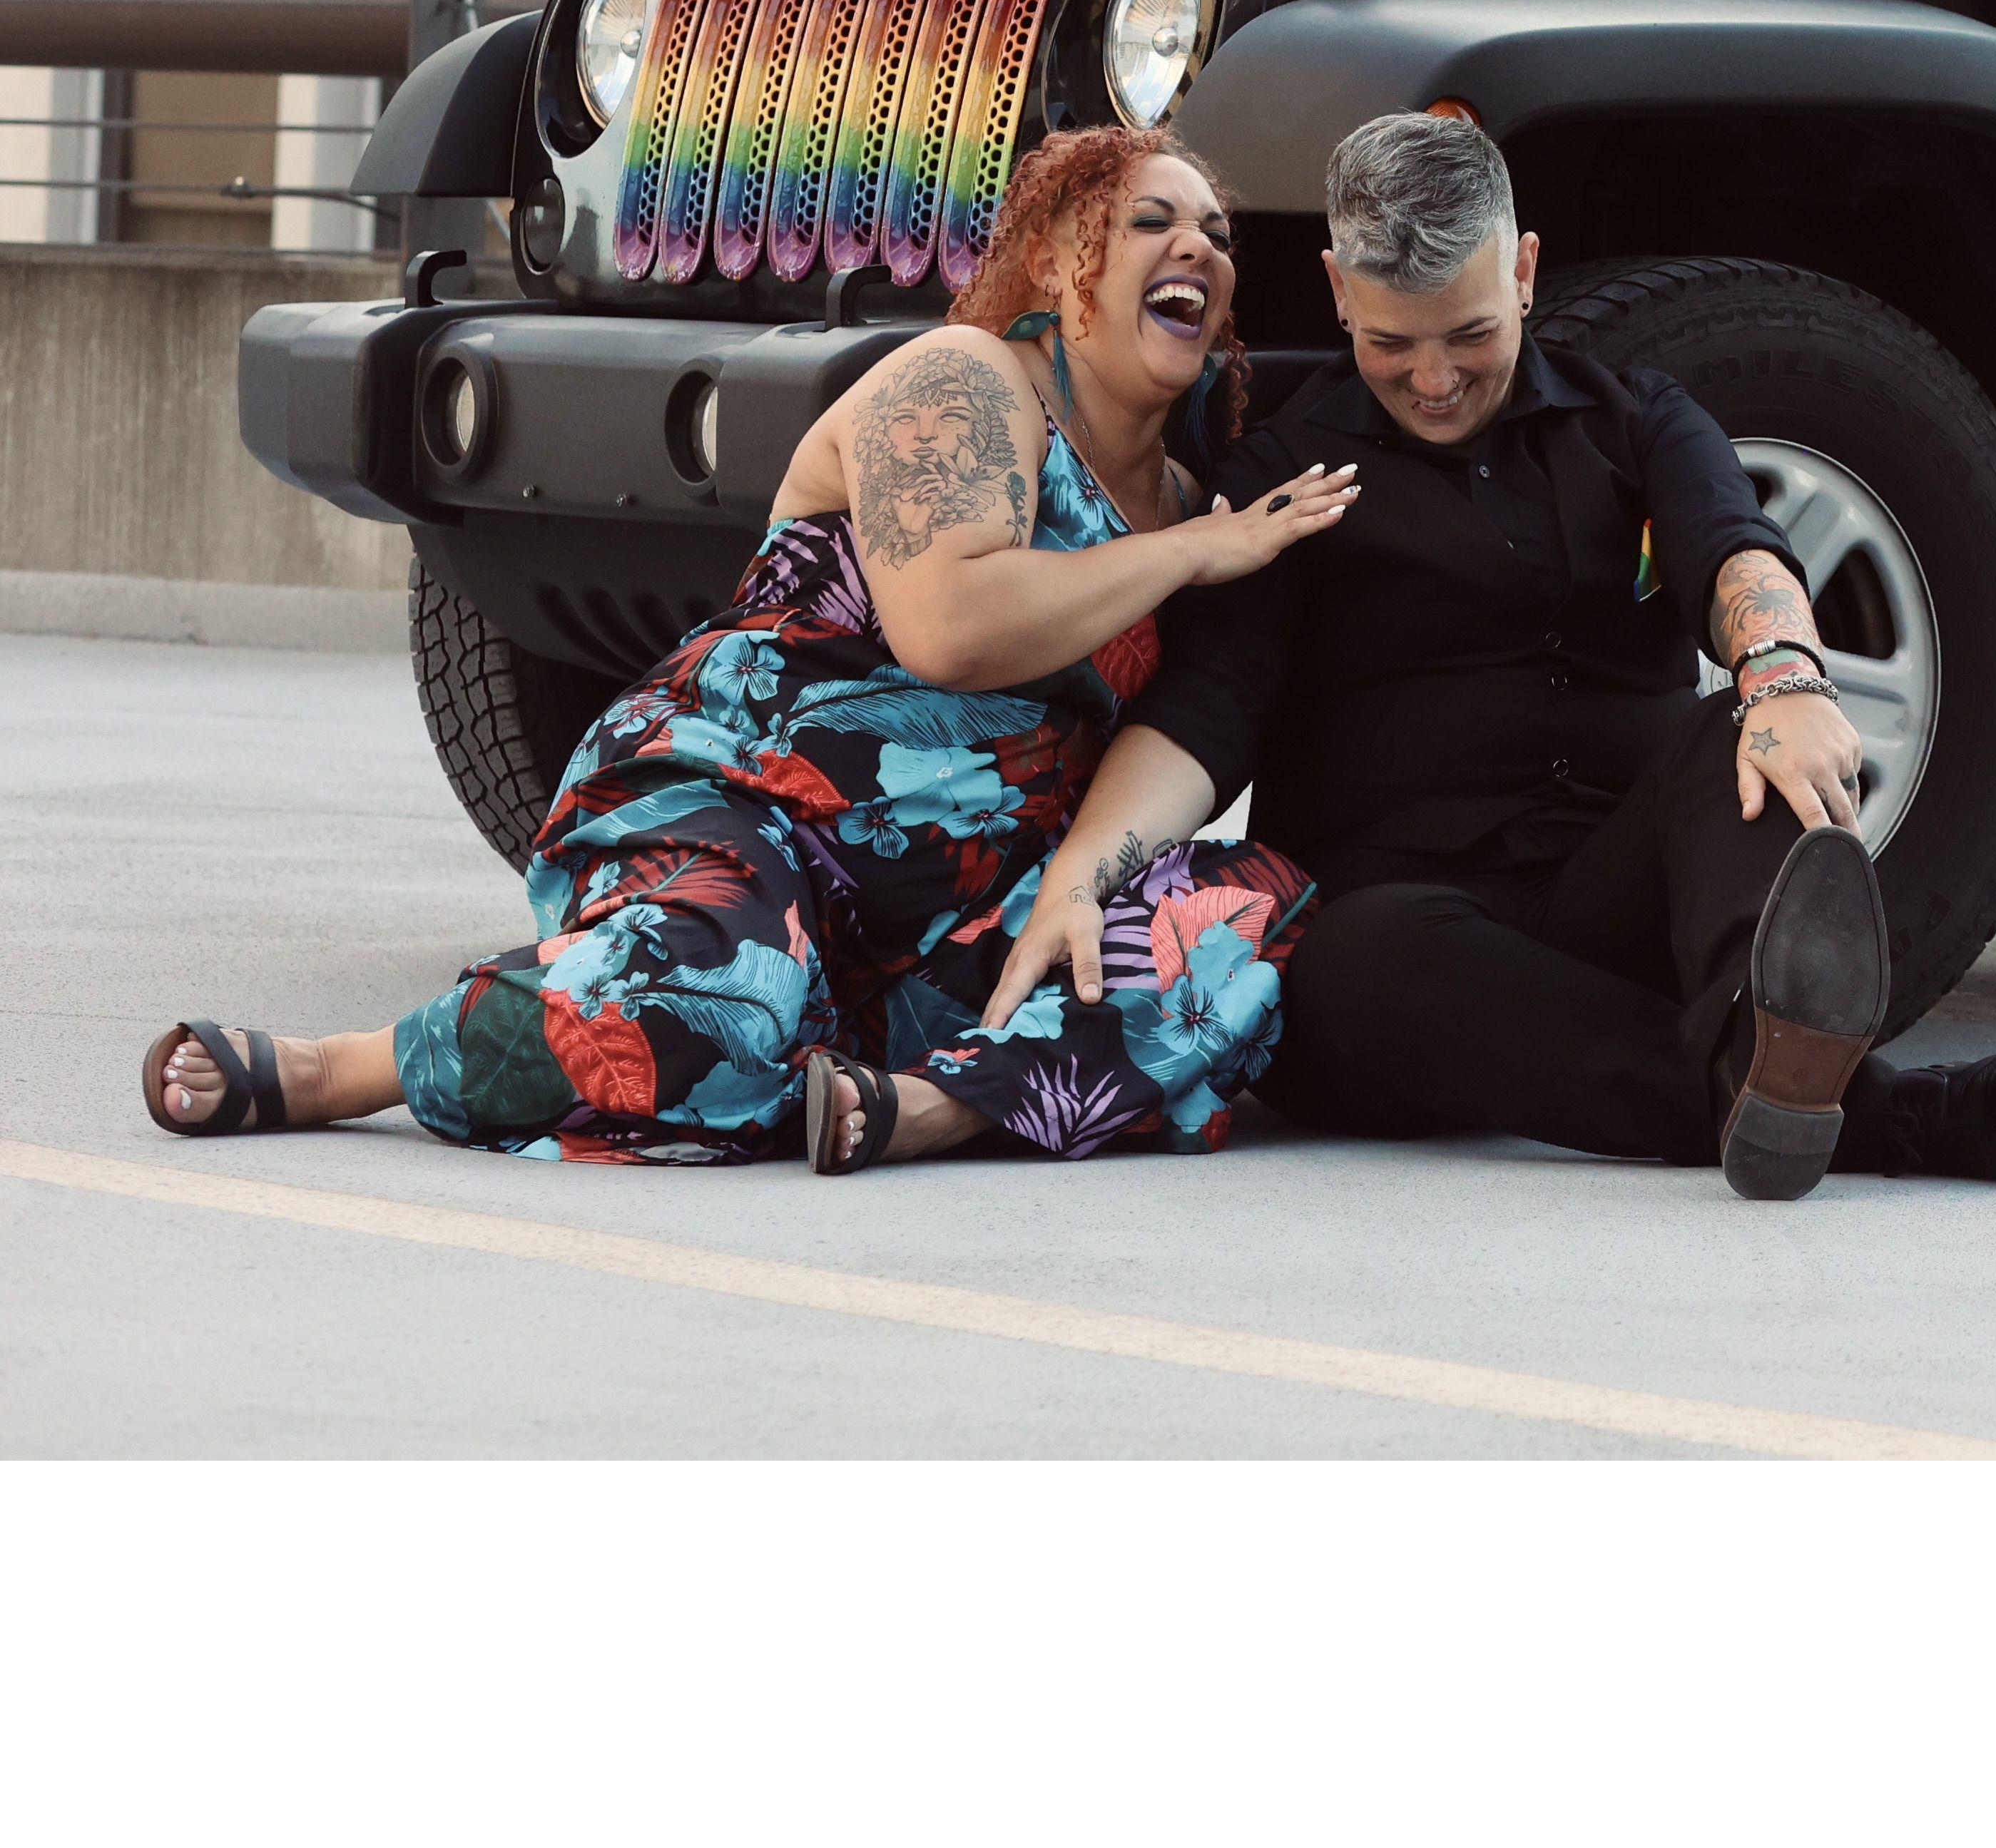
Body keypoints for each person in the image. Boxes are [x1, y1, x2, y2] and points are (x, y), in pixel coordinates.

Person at [140, 128, 1354, 1173]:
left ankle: (921, 1104)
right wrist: (1190, 556)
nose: (1198, 249)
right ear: (1052, 259)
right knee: (736, 994)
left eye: (1217, 236)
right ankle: (355, 1067)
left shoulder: (1191, 500)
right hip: (743, 817)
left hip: (952, 921)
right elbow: (950, 627)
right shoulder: (965, 383)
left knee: (1242, 912)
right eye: (1150, 222)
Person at [1017, 110, 1996, 1200]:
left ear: (1522, 273)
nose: (1433, 379)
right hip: (1407, 967)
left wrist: (1786, 677)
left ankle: (1775, 1052)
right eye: (1391, 344)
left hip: (1624, 910)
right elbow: (1205, 712)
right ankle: (1864, 1107)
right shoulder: (1282, 474)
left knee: (1737, 733)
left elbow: (1733, 551)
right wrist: (1078, 883)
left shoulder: (1637, 419)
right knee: (1350, 952)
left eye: (1468, 336)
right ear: (1338, 291)